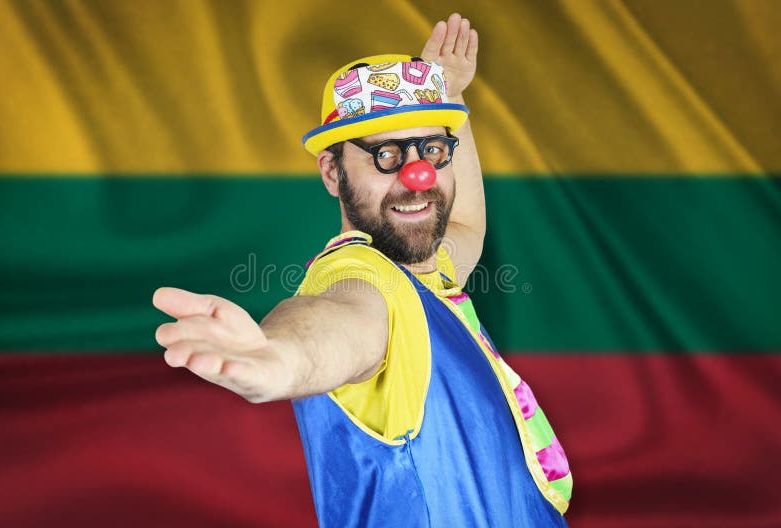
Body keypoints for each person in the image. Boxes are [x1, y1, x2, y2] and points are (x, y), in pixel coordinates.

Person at [153, 14, 570, 527]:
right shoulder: (363, 277)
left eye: (433, 150)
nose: (419, 178)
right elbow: (342, 320)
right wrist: (280, 358)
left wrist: (451, 97)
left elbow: (466, 226)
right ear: (333, 172)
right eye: (387, 154)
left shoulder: (430, 274)